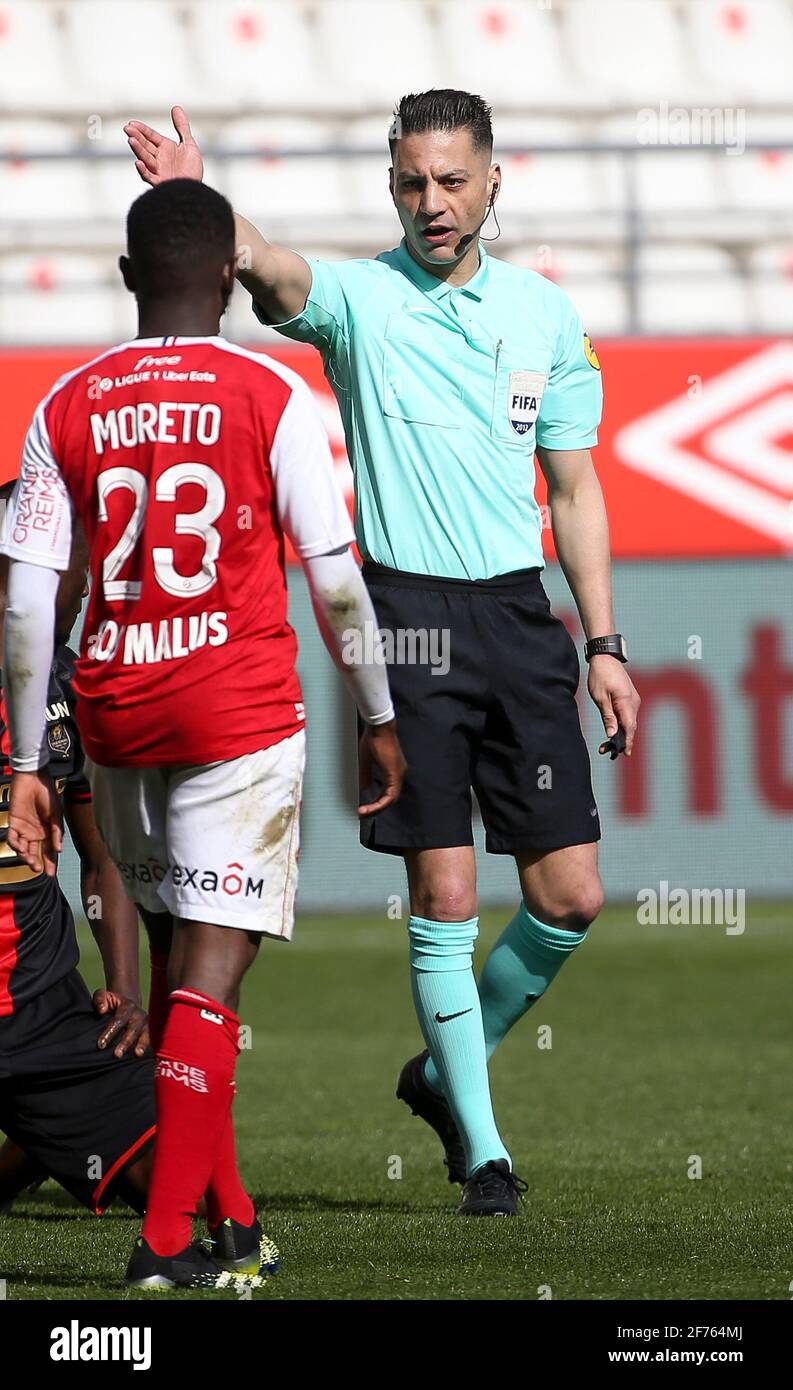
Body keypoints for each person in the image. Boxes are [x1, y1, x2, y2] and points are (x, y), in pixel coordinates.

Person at [123, 90, 641, 1218]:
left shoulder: (545, 318)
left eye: (452, 180)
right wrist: (193, 196)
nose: (431, 201)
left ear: (493, 182)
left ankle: (441, 1071)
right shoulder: (361, 300)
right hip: (403, 615)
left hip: (517, 617)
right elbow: (264, 267)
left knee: (574, 893)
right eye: (411, 181)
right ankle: (488, 1153)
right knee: (444, 892)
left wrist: (602, 642)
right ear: (390, 185)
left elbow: (573, 489)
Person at [0, 178, 404, 1288]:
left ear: (129, 276)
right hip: (234, 711)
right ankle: (167, 1243)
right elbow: (335, 579)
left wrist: (33, 757)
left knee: (183, 971)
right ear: (230, 273)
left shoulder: (64, 402)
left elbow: (32, 597)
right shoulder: (271, 393)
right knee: (208, 990)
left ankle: (228, 1218)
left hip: (117, 713)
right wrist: (378, 714)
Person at [0, 509, 155, 1218]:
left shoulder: (70, 686)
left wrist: (122, 987)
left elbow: (104, 859)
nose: (85, 589)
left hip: (40, 1001)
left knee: (171, 1169)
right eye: (71, 572)